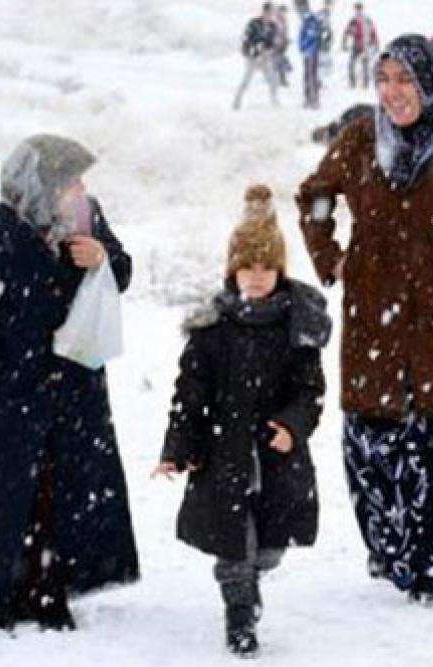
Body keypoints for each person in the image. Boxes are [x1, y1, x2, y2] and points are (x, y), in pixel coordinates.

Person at [296, 34, 433, 606]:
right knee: (368, 455)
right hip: (374, 325)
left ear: (431, 84)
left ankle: (427, 568)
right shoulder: (358, 139)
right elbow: (314, 196)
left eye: (406, 80)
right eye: (385, 80)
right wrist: (331, 258)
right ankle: (390, 545)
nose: (394, 93)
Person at [0, 134, 140, 631]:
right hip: (8, 392)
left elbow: (123, 271)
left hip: (74, 384)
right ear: (40, 183)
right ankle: (0, 595)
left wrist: (102, 257)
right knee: (7, 496)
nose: (80, 188)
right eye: (70, 179)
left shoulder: (87, 218)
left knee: (64, 492)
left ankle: (49, 591)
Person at [157, 185, 329, 658]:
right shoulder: (213, 328)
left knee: (270, 547)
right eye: (246, 267)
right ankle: (239, 615)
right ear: (233, 270)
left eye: (265, 267)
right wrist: (176, 449)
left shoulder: (298, 326)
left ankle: (251, 580)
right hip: (223, 452)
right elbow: (188, 394)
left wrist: (292, 425)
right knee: (233, 546)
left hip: (277, 457)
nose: (255, 277)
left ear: (279, 270)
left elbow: (310, 391)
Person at [233, 3, 281, 110]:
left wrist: (269, 50)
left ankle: (274, 101)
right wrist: (256, 47)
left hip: (265, 58)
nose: (271, 15)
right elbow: (246, 39)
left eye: (272, 13)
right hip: (252, 57)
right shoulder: (253, 23)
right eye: (269, 12)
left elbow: (273, 42)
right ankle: (236, 102)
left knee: (273, 80)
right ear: (264, 12)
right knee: (246, 80)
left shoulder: (273, 26)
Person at [342, 2, 379, 89]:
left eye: (359, 9)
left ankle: (365, 84)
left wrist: (375, 43)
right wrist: (344, 42)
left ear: (362, 9)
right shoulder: (353, 21)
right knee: (351, 64)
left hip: (365, 45)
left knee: (364, 64)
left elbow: (373, 32)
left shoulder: (367, 20)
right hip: (356, 45)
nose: (358, 11)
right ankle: (352, 83)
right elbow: (347, 32)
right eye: (356, 9)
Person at [299, 5, 328, 108]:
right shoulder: (309, 22)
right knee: (310, 77)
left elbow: (324, 38)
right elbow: (303, 36)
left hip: (313, 52)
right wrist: (303, 47)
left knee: (311, 76)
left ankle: (312, 99)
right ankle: (311, 99)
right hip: (310, 52)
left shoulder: (315, 23)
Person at [274, 5, 293, 87]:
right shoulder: (276, 21)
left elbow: (284, 33)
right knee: (280, 61)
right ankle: (282, 79)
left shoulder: (284, 21)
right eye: (283, 12)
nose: (284, 14)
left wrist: (287, 40)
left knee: (280, 61)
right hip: (276, 45)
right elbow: (274, 33)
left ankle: (281, 79)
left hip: (282, 45)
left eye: (285, 12)